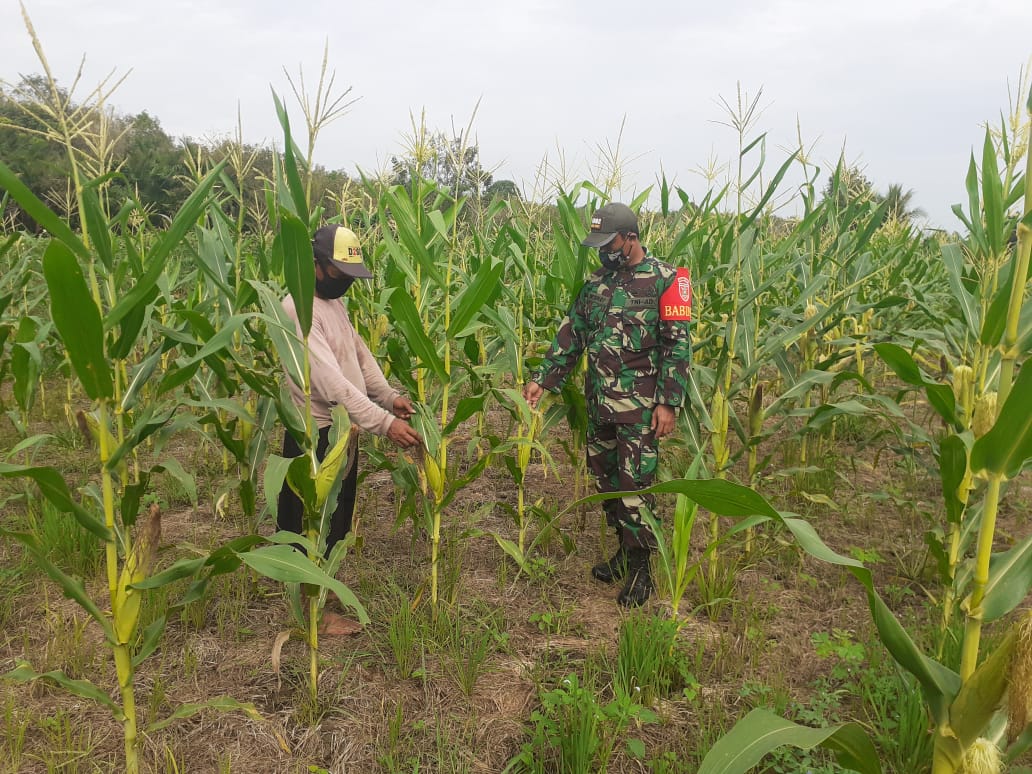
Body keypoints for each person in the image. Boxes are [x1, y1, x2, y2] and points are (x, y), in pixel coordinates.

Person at [523, 202, 692, 607]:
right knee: (607, 485)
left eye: (609, 242)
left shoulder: (667, 280)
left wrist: (668, 403)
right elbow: (571, 336)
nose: (603, 250)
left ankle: (641, 569)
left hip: (639, 410)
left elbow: (677, 344)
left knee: (635, 487)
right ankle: (622, 551)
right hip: (600, 405)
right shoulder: (596, 285)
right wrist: (542, 380)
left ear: (630, 238)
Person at [278, 224, 422, 632]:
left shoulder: (332, 304)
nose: (346, 284)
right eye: (341, 274)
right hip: (316, 436)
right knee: (313, 522)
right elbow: (333, 386)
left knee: (336, 521)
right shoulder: (298, 310)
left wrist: (388, 395)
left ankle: (320, 600)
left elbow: (358, 355)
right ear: (316, 265)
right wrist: (384, 422)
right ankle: (313, 613)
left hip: (344, 431)